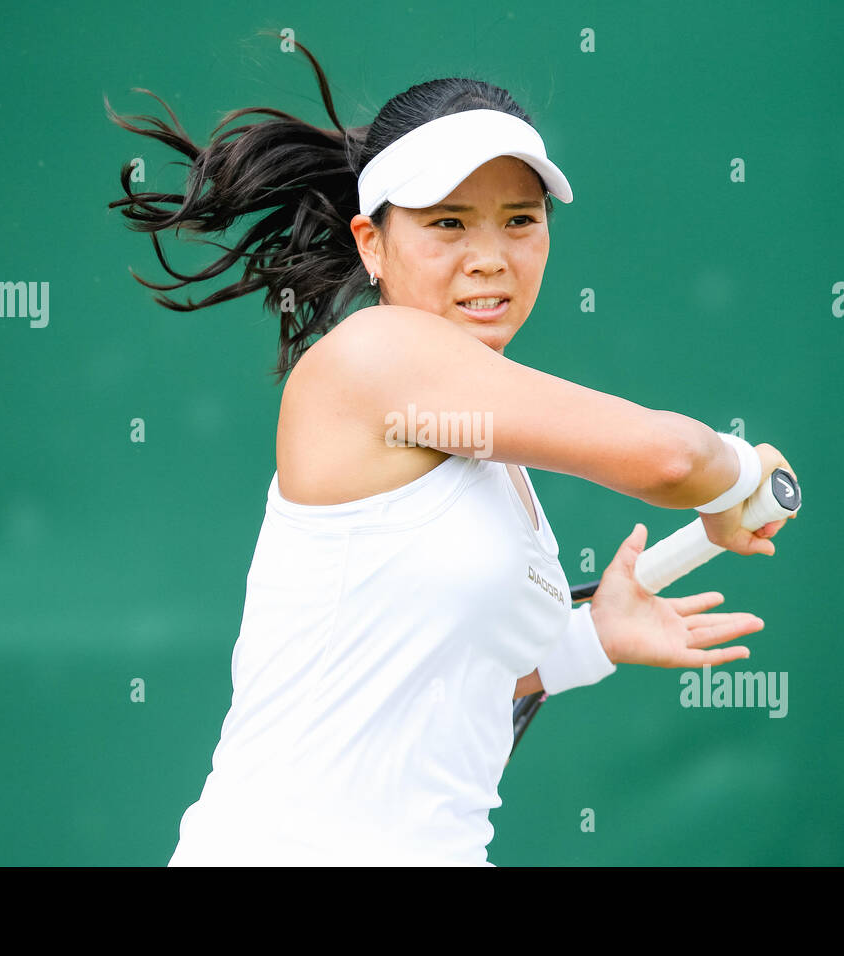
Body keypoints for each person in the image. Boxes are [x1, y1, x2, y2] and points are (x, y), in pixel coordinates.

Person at [106, 38, 799, 866]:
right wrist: (741, 474)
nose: (490, 257)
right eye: (447, 223)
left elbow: (433, 692)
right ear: (371, 243)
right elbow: (672, 461)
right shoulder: (376, 356)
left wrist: (589, 641)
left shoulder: (496, 457)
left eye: (519, 221)